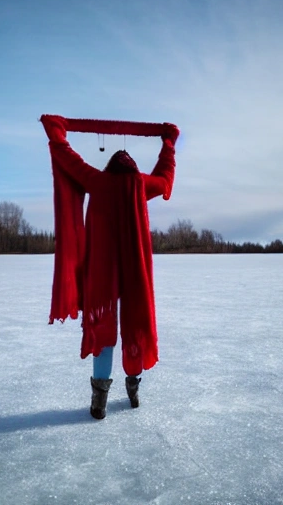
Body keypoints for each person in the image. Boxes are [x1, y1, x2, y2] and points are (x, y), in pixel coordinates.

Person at [41, 114, 179, 419]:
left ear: (110, 168)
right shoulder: (141, 184)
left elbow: (68, 158)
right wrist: (168, 144)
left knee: (102, 326)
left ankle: (99, 400)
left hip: (101, 270)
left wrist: (56, 132)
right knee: (136, 321)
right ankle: (133, 391)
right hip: (135, 269)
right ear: (132, 168)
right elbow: (165, 178)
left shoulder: (97, 181)